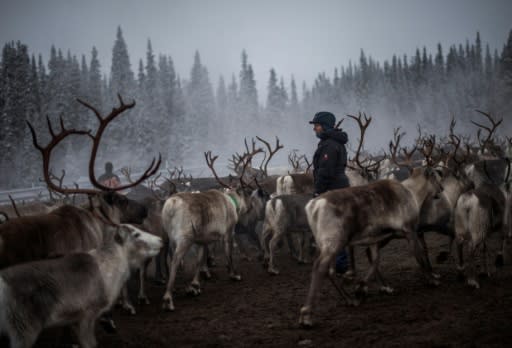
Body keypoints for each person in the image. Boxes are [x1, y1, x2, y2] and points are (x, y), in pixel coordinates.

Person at [309, 111, 350, 275]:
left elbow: (325, 171)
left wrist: (318, 191)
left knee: (334, 227)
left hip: (333, 191)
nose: (314, 130)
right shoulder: (332, 142)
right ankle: (339, 262)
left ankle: (340, 264)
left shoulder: (330, 145)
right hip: (338, 188)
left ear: (324, 127)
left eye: (316, 126)